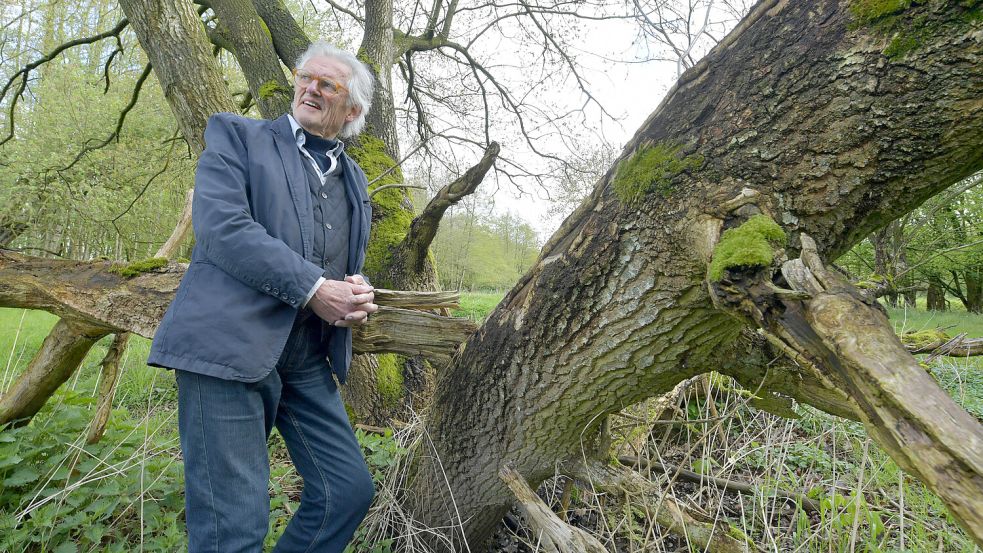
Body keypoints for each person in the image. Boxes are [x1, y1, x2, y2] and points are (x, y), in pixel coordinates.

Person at [148, 42, 379, 553]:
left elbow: (334, 258)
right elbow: (223, 230)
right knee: (234, 530)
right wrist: (316, 288)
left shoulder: (354, 178)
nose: (310, 89)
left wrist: (353, 288)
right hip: (224, 349)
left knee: (347, 491)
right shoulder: (237, 136)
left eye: (328, 84)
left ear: (353, 110)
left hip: (305, 358)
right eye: (305, 77)